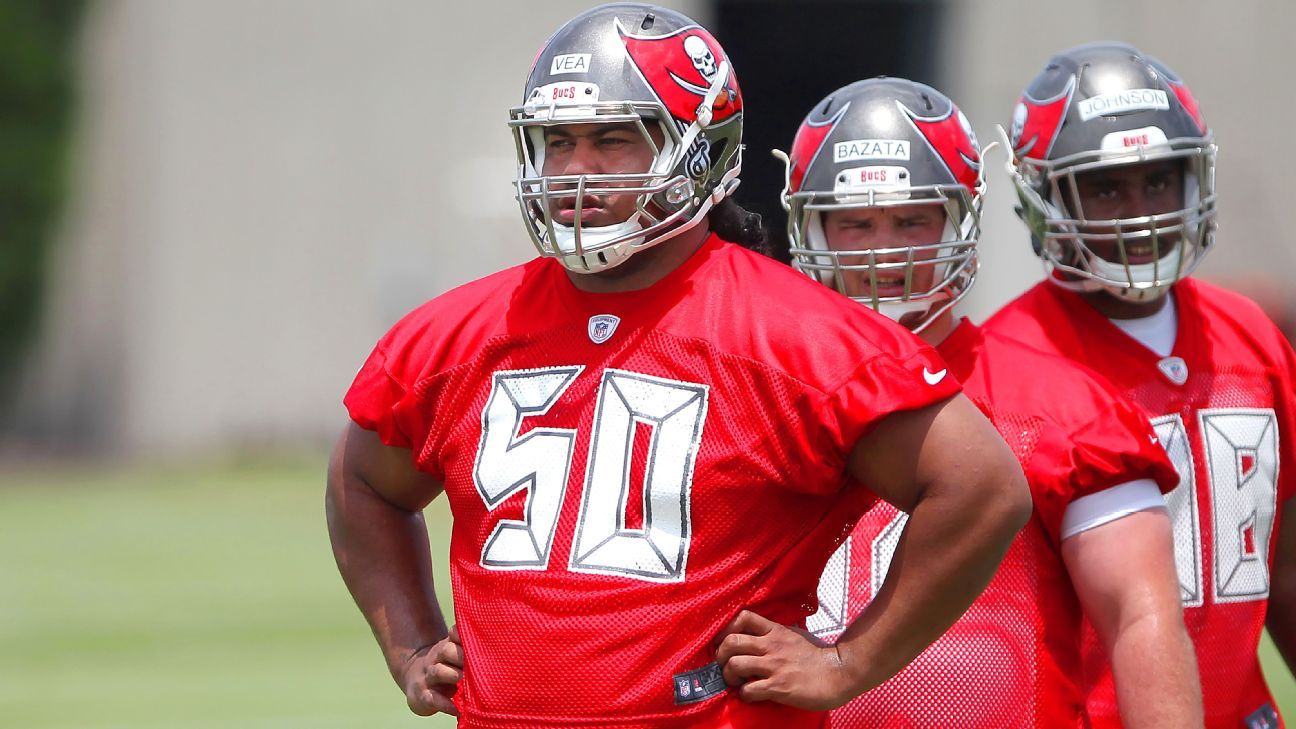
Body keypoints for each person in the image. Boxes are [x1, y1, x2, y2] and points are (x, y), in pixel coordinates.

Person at [326, 5, 1030, 728]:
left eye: (613, 140)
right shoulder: (458, 333)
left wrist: (849, 660)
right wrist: (411, 644)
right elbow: (362, 479)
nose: (575, 170)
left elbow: (981, 487)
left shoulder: (798, 335)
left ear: (700, 150)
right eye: (558, 141)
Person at [778, 76, 1202, 728]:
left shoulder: (1062, 408)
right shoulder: (759, 384)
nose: (885, 248)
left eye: (913, 219)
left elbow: (1139, 617)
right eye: (856, 223)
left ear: (963, 218)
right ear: (810, 226)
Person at [987, 41, 1296, 728]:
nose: (1140, 210)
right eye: (1106, 188)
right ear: (1045, 198)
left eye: (1158, 180)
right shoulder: (1000, 365)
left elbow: (1287, 569)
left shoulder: (1253, 338)